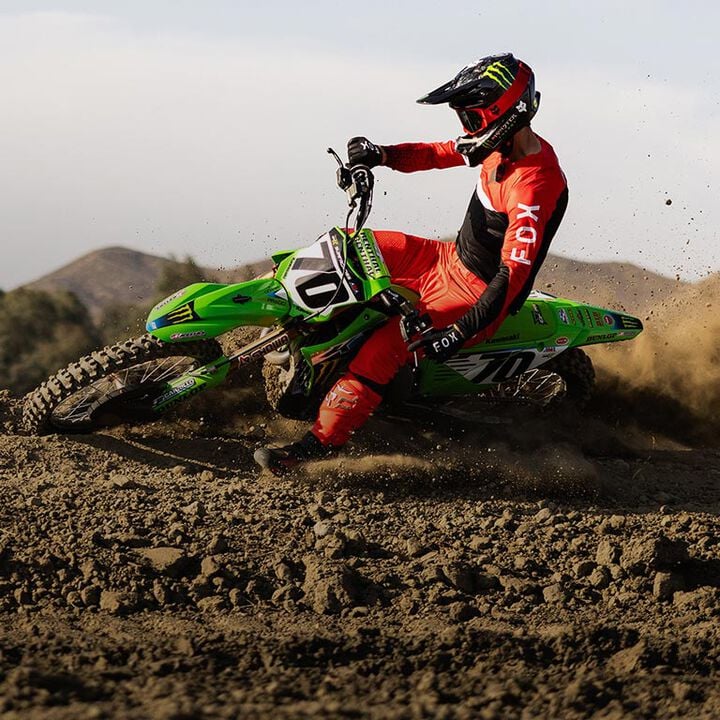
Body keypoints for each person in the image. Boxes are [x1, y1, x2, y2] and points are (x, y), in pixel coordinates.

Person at [254, 53, 569, 475]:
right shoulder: (499, 144)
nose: (466, 128)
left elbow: (511, 278)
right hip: (444, 258)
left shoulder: (534, 185)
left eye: (471, 118)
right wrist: (380, 154)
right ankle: (263, 318)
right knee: (347, 245)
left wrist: (458, 332)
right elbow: (437, 153)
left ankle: (316, 447)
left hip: (476, 292)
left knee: (384, 347)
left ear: (505, 114)